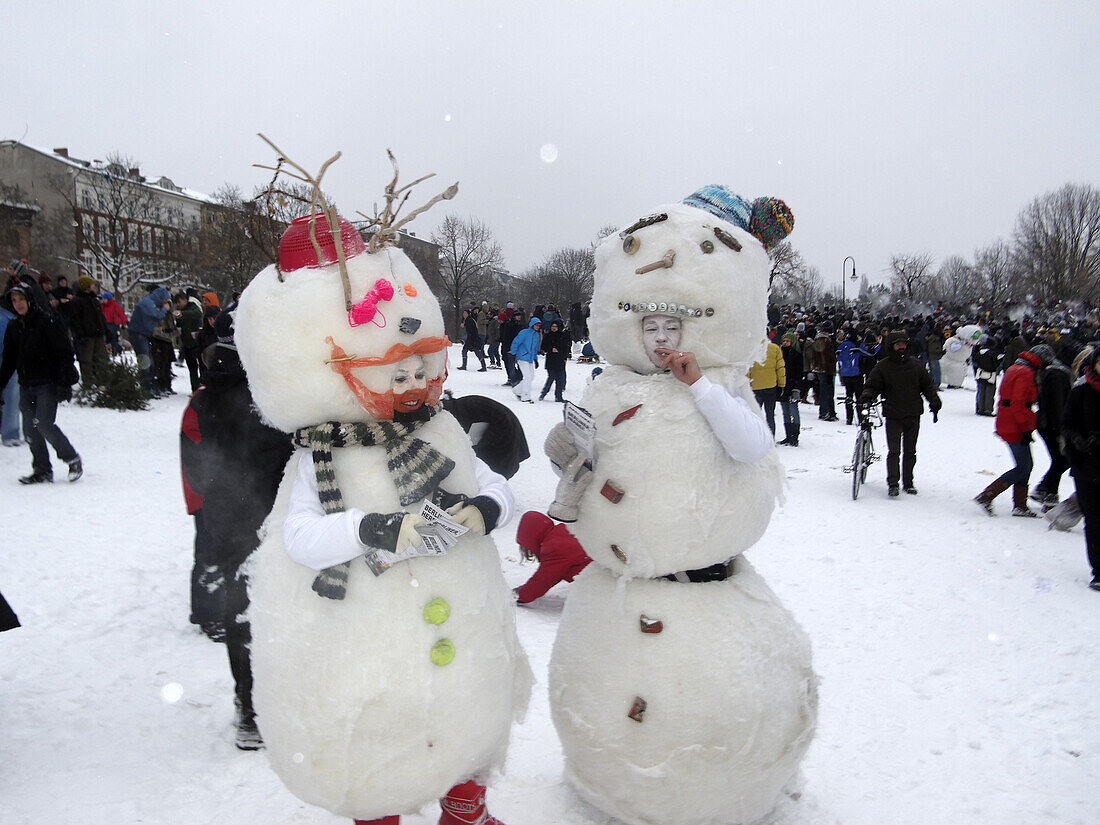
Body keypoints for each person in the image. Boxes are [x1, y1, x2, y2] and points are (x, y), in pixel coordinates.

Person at [180, 307, 294, 747]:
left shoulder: (205, 395)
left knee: (241, 609)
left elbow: (196, 468)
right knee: (278, 609)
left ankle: (249, 707)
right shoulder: (275, 395)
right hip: (277, 520)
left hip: (229, 520)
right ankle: (269, 703)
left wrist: (212, 512)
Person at [0, 283, 82, 484]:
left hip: (47, 384)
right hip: (27, 386)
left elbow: (64, 352)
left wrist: (64, 381)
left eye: (21, 299)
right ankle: (42, 469)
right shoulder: (14, 326)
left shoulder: (46, 321)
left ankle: (71, 458)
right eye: (14, 301)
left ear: (29, 299)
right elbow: (9, 359)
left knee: (43, 423)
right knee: (31, 428)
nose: (18, 304)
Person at [974, 345, 1055, 517]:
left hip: (1007, 420)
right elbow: (1018, 404)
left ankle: (1020, 505)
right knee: (1023, 467)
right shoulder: (1026, 373)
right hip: (1015, 424)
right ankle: (987, 495)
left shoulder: (1015, 368)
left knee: (1025, 465)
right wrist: (1026, 429)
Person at [859, 330, 941, 497]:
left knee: (911, 451)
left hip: (913, 412)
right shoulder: (883, 366)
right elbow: (872, 385)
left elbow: (927, 386)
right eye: (898, 345)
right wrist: (867, 397)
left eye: (903, 344)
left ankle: (908, 482)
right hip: (893, 413)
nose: (901, 347)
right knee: (894, 451)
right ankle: (893, 483)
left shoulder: (916, 365)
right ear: (891, 346)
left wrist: (934, 401)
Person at [1060, 346, 1100, 591]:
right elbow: (1067, 422)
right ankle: (1099, 570)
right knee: (1095, 520)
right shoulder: (1082, 391)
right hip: (1087, 466)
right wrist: (1077, 439)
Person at [513, 510, 591, 604]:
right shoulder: (564, 530)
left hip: (602, 585)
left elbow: (542, 581)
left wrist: (516, 596)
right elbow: (555, 574)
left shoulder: (555, 546)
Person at [1031, 345, 1072, 508]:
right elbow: (1057, 405)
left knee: (1060, 459)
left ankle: (1048, 493)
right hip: (1052, 424)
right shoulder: (1057, 374)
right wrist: (1060, 429)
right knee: (1063, 459)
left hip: (1045, 422)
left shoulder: (1048, 373)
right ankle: (1045, 490)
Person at [129, 286, 171, 392]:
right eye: (165, 300)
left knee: (148, 360)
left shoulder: (149, 302)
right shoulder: (148, 303)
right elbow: (156, 316)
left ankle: (150, 384)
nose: (166, 302)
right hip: (139, 335)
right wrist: (164, 309)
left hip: (143, 335)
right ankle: (146, 387)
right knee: (145, 361)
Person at [70, 276, 109, 388]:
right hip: (87, 335)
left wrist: (105, 330)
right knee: (87, 360)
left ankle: (102, 382)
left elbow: (100, 317)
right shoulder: (77, 301)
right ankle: (88, 385)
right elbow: (75, 319)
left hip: (98, 334)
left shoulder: (94, 300)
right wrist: (79, 333)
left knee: (100, 359)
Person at [748, 333, 785, 435]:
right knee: (770, 415)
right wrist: (781, 385)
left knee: (755, 414)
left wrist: (747, 384)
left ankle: (756, 436)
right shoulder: (775, 348)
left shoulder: (752, 349)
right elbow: (780, 368)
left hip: (755, 387)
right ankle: (771, 436)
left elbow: (748, 369)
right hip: (771, 386)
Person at [0, 293, 22, 446]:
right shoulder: (8, 317)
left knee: (11, 396)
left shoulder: (8, 318)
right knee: (11, 397)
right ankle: (10, 433)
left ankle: (11, 433)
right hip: (9, 358)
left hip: (9, 359)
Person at [835, 329, 869, 425]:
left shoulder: (842, 346)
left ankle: (849, 418)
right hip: (857, 374)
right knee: (859, 397)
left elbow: (838, 355)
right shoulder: (858, 345)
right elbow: (866, 353)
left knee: (848, 396)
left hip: (845, 374)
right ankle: (861, 417)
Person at [174, 291, 204, 392]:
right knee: (192, 367)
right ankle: (195, 388)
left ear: (185, 300)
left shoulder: (193, 307)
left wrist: (182, 314)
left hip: (196, 342)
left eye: (179, 302)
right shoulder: (179, 310)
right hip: (186, 342)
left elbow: (198, 313)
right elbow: (179, 325)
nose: (178, 304)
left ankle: (203, 386)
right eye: (176, 303)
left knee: (201, 365)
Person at [777, 331, 802, 446]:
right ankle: (788, 435)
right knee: (785, 412)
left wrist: (797, 388)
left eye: (787, 341)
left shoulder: (796, 355)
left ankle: (795, 437)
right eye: (784, 341)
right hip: (783, 387)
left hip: (792, 386)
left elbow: (799, 373)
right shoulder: (780, 354)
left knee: (793, 411)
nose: (785, 343)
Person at [509, 316, 541, 402]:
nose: (538, 326)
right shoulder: (524, 332)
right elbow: (516, 342)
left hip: (530, 358)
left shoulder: (536, 336)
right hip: (522, 357)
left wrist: (535, 359)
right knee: (527, 376)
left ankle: (517, 390)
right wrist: (513, 353)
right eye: (536, 325)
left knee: (531, 377)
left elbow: (534, 349)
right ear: (532, 324)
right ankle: (525, 396)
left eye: (539, 325)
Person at [538, 318, 570, 402]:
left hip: (560, 359)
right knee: (551, 377)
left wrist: (565, 357)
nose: (554, 328)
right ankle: (544, 393)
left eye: (555, 326)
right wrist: (551, 349)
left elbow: (566, 348)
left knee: (559, 379)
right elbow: (543, 347)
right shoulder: (548, 335)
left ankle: (558, 396)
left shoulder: (563, 336)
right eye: (552, 326)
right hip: (551, 359)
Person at [810, 322, 837, 421]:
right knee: (827, 391)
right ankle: (827, 412)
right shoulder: (824, 341)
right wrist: (829, 370)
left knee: (824, 391)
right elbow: (826, 358)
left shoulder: (819, 340)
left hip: (820, 369)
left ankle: (826, 412)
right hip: (825, 369)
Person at [971, 333, 1001, 416]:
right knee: (990, 392)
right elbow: (996, 363)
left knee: (981, 391)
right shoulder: (992, 353)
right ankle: (988, 409)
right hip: (990, 374)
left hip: (980, 372)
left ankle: (980, 408)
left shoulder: (978, 352)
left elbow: (975, 360)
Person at [457, 306, 487, 371]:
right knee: (465, 351)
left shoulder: (469, 320)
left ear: (468, 314)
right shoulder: (468, 320)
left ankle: (483, 367)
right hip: (471, 339)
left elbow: (472, 331)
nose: (463, 314)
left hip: (473, 339)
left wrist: (469, 339)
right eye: (463, 313)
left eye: (465, 313)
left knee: (476, 352)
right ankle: (464, 366)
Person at [99, 291, 128, 355]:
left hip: (113, 323)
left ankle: (117, 350)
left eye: (104, 299)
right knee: (108, 339)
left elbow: (121, 314)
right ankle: (116, 350)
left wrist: (124, 323)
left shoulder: (115, 305)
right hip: (105, 323)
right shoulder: (102, 305)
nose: (103, 300)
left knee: (113, 339)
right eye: (102, 299)